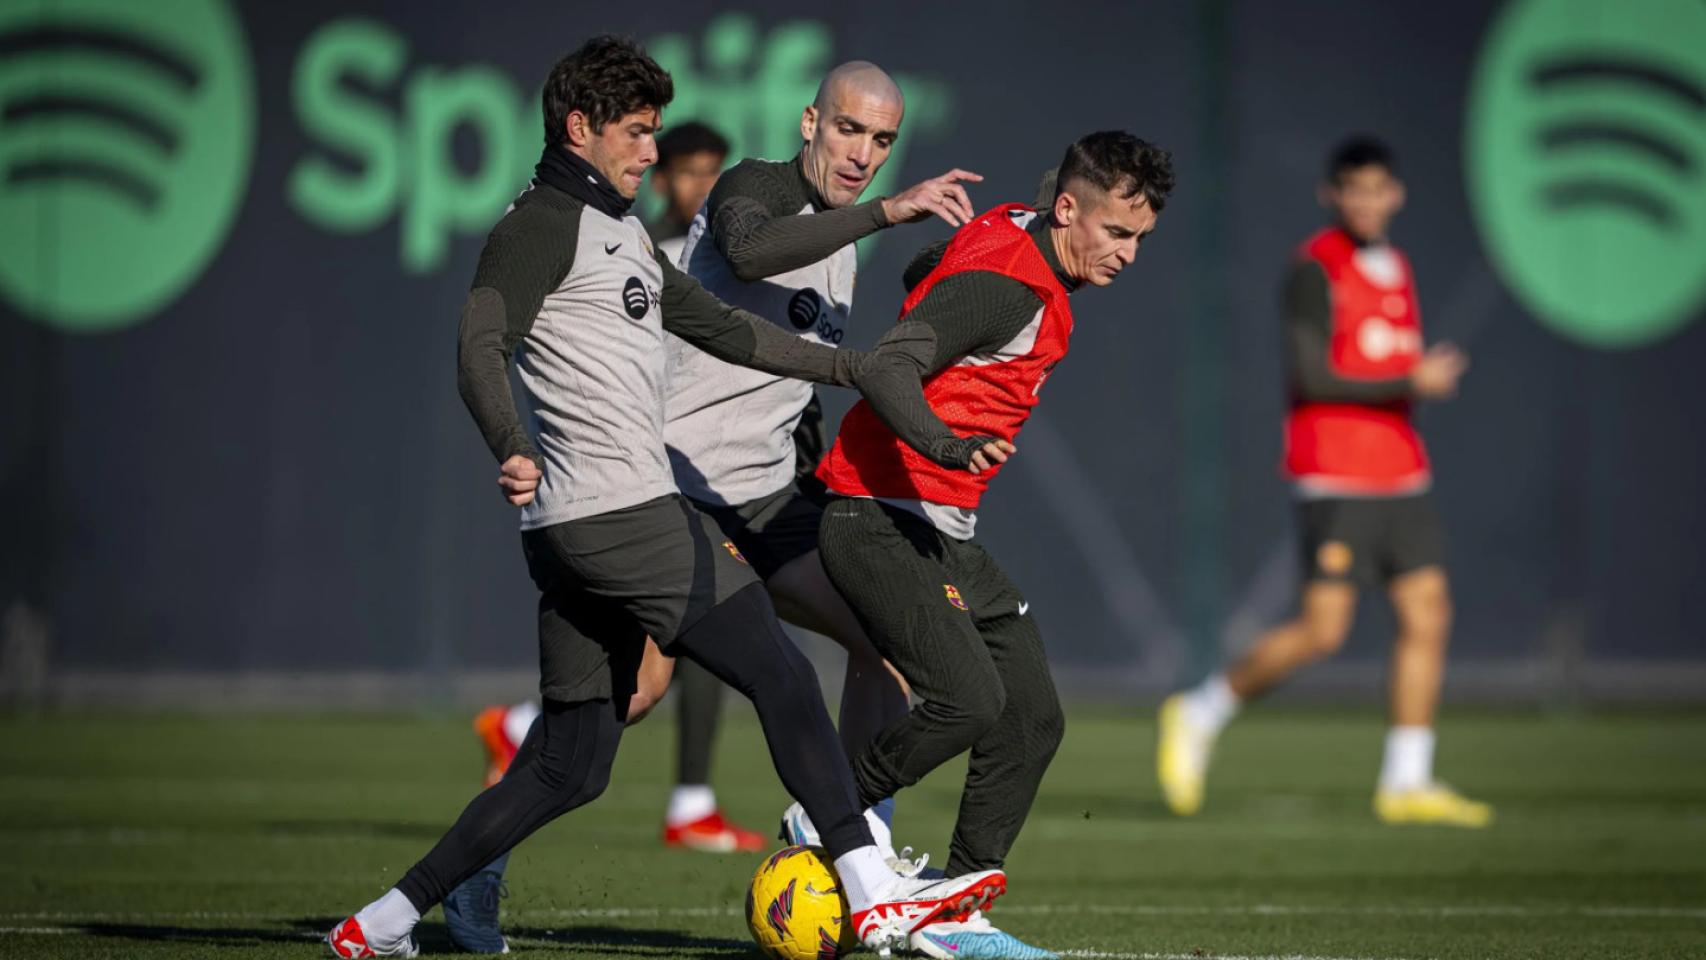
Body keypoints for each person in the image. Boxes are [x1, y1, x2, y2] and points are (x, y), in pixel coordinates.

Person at [324, 36, 1004, 960]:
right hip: (658, 491)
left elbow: (730, 332)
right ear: (810, 122)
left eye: (882, 140)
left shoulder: (631, 229)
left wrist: (855, 371)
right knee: (700, 686)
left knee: (857, 645)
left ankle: (386, 920)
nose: (863, 152)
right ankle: (861, 876)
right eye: (848, 129)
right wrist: (510, 442)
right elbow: (743, 257)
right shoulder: (735, 191)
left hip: (747, 497)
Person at [786, 131, 1175, 959]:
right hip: (877, 517)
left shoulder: (1012, 226)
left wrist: (939, 297)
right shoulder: (1009, 288)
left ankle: (955, 918)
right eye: (1117, 232)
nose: (1129, 254)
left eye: (1141, 237)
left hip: (941, 531)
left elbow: (922, 272)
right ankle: (831, 810)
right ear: (1066, 208)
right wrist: (948, 443)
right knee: (968, 700)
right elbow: (886, 366)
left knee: (1031, 718)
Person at [1156, 136, 1490, 828]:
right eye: (1354, 190)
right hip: (1335, 471)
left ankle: (1407, 780)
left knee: (1428, 613)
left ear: (1396, 195)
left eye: (1378, 189)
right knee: (1323, 631)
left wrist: (1411, 381)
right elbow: (1311, 375)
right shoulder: (1314, 267)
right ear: (1331, 195)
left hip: (1403, 470)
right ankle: (1200, 710)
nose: (1367, 202)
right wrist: (1410, 379)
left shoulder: (1396, 266)